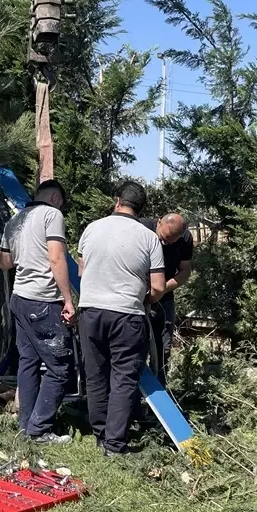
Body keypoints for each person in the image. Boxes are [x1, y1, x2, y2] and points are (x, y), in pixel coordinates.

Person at [77, 180, 165, 456]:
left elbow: (81, 272)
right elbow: (159, 287)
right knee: (124, 377)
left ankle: (101, 434)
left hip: (91, 310)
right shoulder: (149, 238)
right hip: (127, 314)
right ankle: (115, 444)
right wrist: (145, 299)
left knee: (96, 375)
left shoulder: (91, 229)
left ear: (117, 201)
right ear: (142, 209)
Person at [0, 179, 77, 445]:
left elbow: (4, 262)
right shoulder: (52, 215)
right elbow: (56, 257)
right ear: (55, 198)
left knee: (28, 362)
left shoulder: (15, 220)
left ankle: (26, 426)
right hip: (43, 300)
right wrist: (68, 299)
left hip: (20, 298)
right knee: (59, 367)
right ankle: (40, 429)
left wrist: (25, 255)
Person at [140, 213, 194, 386]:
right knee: (136, 346)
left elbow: (185, 272)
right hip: (137, 299)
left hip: (164, 299)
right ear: (159, 222)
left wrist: (161, 289)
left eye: (170, 242)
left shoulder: (185, 239)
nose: (164, 244)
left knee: (163, 348)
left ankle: (160, 392)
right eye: (163, 239)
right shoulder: (140, 228)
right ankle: (133, 396)